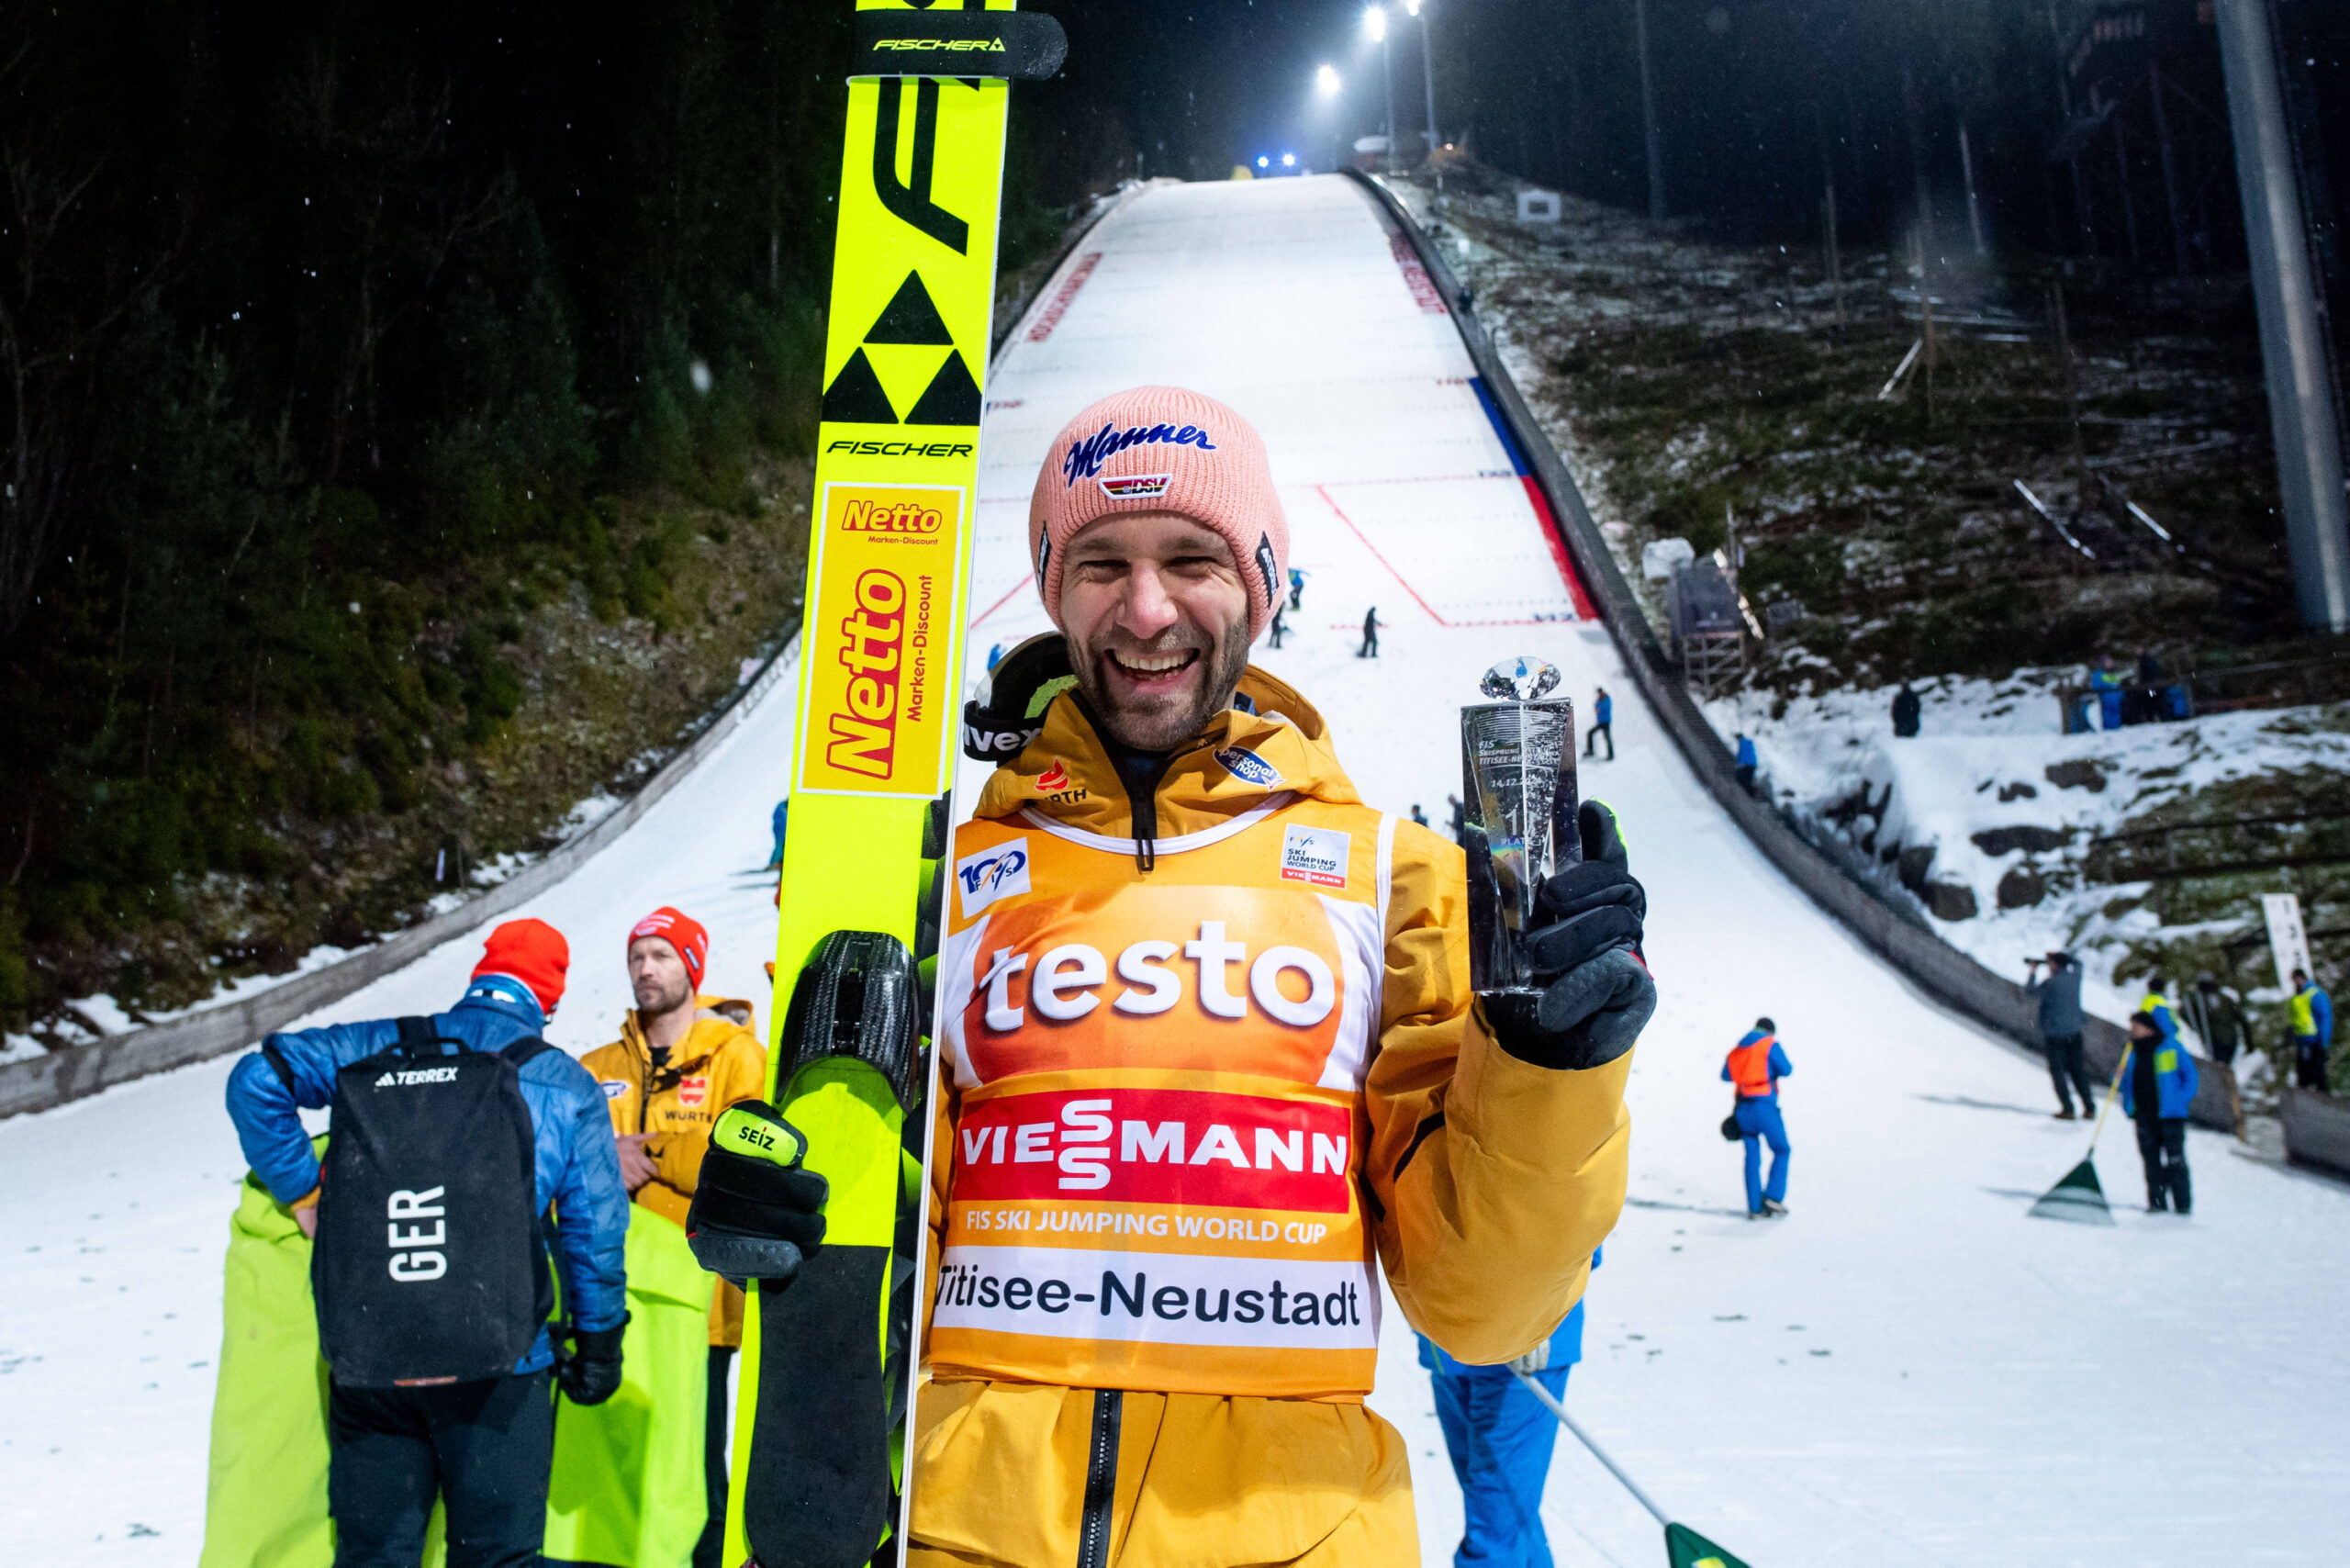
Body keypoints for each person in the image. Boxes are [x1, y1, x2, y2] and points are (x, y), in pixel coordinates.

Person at [726, 386, 1647, 1565]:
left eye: (1192, 559)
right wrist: (779, 1210)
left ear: (1259, 585)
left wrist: (1553, 1067)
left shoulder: (1392, 878)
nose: (1147, 607)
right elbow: (878, 1218)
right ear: (1053, 589)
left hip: (1296, 1537)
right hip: (968, 1536)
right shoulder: (944, 888)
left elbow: (1485, 1308)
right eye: (1101, 562)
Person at [224, 918, 629, 1568]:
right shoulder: (563, 1083)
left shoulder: (381, 1044)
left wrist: (305, 1192)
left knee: (375, 1558)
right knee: (497, 1559)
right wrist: (600, 1344)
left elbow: (256, 1080)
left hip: (374, 1356)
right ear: (548, 1003)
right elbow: (595, 1229)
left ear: (480, 977)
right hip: (502, 1363)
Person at [580, 907, 768, 1568]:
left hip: (697, 1298)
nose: (646, 969)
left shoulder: (736, 1056)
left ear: (692, 965)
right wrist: (607, 1155)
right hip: (606, 1290)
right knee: (610, 1450)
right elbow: (559, 1154)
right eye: (637, 957)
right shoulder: (594, 1065)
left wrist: (649, 1151)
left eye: (661, 955)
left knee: (693, 1459)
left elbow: (745, 1154)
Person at [1416, 1249, 1601, 1568]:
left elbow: (1581, 1223)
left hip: (1523, 1354)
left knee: (1494, 1519)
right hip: (1446, 1346)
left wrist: (1535, 1313)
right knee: (1508, 1514)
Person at [2121, 1010, 2197, 1214]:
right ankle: (2156, 1202)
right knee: (2151, 1161)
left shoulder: (2171, 1048)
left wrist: (2181, 1099)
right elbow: (2123, 1082)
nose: (2133, 1031)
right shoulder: (2132, 1052)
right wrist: (2117, 1079)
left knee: (2176, 1161)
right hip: (2144, 1114)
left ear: (2149, 1029)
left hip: (2170, 1115)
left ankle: (2182, 1204)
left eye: (2136, 1027)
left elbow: (2190, 1075)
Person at [1723, 1017, 1792, 1216]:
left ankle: (1754, 1207)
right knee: (1782, 1149)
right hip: (1763, 1104)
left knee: (1752, 1156)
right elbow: (1786, 1069)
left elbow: (1727, 1075)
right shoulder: (1769, 1044)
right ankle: (1773, 1198)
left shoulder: (1739, 1048)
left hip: (1742, 1107)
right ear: (1770, 1031)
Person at [2025, 951, 2095, 1118]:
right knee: (2078, 1070)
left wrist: (2033, 971)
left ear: (2055, 964)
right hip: (2075, 1032)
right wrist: (2063, 957)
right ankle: (2089, 1107)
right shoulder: (2074, 977)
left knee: (2058, 1072)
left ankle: (2068, 1108)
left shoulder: (2051, 983)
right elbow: (2078, 964)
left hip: (2055, 1034)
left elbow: (2030, 992)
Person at [2289, 968, 2334, 1092]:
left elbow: (2325, 1018)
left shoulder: (2314, 994)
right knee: (2305, 1077)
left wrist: (2324, 1041)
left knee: (2317, 1076)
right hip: (2304, 1042)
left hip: (2314, 1041)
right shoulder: (2300, 996)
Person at [2089, 655, 2123, 732]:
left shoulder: (2114, 674)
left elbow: (2118, 686)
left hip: (2116, 701)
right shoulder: (2099, 674)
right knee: (2107, 717)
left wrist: (2121, 696)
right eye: (2107, 662)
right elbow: (2096, 687)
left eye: (2110, 661)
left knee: (2116, 716)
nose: (2109, 663)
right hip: (2106, 700)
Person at [1584, 686, 1614, 760]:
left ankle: (1611, 755)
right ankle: (1590, 750)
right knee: (1590, 733)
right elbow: (1597, 708)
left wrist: (1598, 706)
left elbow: (1605, 708)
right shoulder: (1600, 699)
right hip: (1600, 722)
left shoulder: (1607, 699)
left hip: (1606, 722)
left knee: (1607, 738)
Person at [765, 799, 790, 871]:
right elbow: (780, 821)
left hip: (782, 832)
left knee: (782, 848)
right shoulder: (782, 808)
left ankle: (779, 863)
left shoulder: (784, 808)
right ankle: (774, 863)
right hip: (780, 833)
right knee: (779, 847)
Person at [1733, 733, 1758, 797]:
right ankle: (1751, 793)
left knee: (1741, 778)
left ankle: (1751, 792)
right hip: (1753, 764)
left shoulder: (1742, 743)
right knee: (1748, 779)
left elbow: (1742, 754)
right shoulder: (1748, 743)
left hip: (1747, 764)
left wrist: (1739, 764)